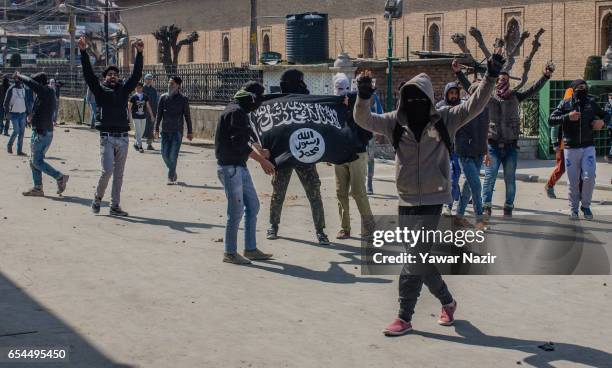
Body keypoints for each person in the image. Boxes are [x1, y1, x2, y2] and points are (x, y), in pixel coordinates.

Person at [353, 49, 503, 337]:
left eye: (419, 97)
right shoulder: (395, 121)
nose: (415, 103)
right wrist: (363, 95)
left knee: (415, 257)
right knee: (419, 258)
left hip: (435, 198)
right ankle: (448, 301)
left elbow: (476, 104)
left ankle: (404, 316)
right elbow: (364, 120)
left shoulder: (446, 119)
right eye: (409, 98)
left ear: (428, 97)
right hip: (406, 197)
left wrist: (491, 76)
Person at [79, 35, 144, 216]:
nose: (113, 76)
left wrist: (139, 54)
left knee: (119, 175)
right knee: (107, 171)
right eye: (110, 74)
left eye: (115, 74)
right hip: (106, 137)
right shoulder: (100, 91)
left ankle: (115, 206)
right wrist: (83, 52)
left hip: (123, 138)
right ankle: (98, 199)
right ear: (105, 78)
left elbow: (136, 75)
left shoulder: (124, 90)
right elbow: (88, 75)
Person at [266, 69, 330, 245]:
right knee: (278, 192)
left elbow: (319, 124)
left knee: (314, 192)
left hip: (304, 152)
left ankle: (320, 230)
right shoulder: (278, 103)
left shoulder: (307, 102)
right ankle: (273, 225)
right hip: (284, 155)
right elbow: (271, 129)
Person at [481, 64, 554, 218]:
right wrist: (459, 73)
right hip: (492, 146)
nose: (503, 82)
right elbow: (472, 89)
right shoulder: (489, 96)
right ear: (496, 81)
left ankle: (508, 206)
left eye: (506, 79)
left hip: (510, 147)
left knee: (510, 180)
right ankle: (486, 206)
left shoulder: (515, 96)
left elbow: (533, 89)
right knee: (489, 178)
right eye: (500, 79)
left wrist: (545, 76)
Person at [215, 81, 275, 265]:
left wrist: (260, 148)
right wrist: (262, 160)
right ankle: (229, 252)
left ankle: (250, 249)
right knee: (236, 211)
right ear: (251, 98)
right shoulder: (235, 112)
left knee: (253, 206)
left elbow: (248, 135)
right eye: (258, 99)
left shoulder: (239, 111)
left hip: (239, 166)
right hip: (230, 168)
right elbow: (239, 143)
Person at [549, 79, 606, 220]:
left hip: (588, 147)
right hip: (570, 148)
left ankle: (585, 206)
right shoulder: (565, 103)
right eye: (580, 87)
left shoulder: (591, 103)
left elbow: (607, 115)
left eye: (585, 87)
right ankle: (573, 208)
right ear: (573, 89)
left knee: (589, 177)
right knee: (573, 180)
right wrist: (567, 117)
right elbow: (551, 120)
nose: (583, 89)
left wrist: (602, 122)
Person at [332, 73, 374, 239]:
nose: (341, 92)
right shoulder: (333, 105)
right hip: (339, 155)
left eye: (344, 88)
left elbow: (366, 129)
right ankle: (345, 228)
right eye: (338, 88)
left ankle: (370, 227)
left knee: (358, 192)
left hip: (357, 154)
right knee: (340, 192)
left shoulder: (358, 102)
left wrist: (351, 108)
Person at [14, 71, 69, 197]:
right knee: (33, 161)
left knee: (37, 162)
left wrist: (20, 75)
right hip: (41, 131)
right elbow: (40, 108)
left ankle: (59, 177)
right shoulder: (45, 94)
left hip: (42, 133)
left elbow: (31, 83)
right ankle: (38, 188)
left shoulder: (45, 91)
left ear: (39, 83)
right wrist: (32, 116)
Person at [454, 82, 489, 230]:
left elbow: (485, 131)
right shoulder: (464, 109)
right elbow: (457, 131)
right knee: (476, 186)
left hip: (479, 153)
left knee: (468, 187)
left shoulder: (485, 109)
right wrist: (465, 145)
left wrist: (486, 152)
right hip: (465, 154)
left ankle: (458, 216)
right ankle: (479, 220)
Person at [154, 76, 193, 185]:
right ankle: (173, 170)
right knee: (164, 154)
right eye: (169, 83)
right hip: (165, 130)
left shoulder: (183, 99)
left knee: (173, 155)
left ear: (178, 86)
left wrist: (190, 131)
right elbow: (159, 114)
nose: (169, 85)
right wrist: (156, 129)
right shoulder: (163, 97)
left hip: (177, 132)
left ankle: (171, 176)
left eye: (172, 84)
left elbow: (187, 116)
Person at [435, 79, 464, 216]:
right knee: (446, 176)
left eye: (455, 93)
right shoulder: (439, 107)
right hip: (442, 147)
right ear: (446, 94)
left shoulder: (462, 108)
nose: (453, 96)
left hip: (457, 148)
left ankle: (449, 203)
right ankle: (450, 199)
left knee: (455, 174)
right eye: (451, 93)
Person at [545, 87, 575, 198]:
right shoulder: (563, 107)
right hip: (562, 145)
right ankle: (550, 185)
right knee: (561, 167)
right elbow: (554, 127)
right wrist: (555, 144)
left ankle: (579, 192)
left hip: (575, 144)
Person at [4, 76, 30, 155]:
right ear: (14, 79)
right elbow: (5, 103)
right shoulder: (11, 89)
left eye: (19, 79)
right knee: (16, 130)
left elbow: (25, 101)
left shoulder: (23, 89)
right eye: (16, 79)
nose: (17, 80)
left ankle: (19, 151)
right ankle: (9, 144)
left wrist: (28, 113)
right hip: (13, 114)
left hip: (23, 113)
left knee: (22, 133)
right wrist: (7, 113)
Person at [128, 82, 155, 153]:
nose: (138, 89)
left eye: (140, 87)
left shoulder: (145, 96)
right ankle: (140, 146)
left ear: (142, 88)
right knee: (138, 131)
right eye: (137, 87)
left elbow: (148, 106)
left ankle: (136, 143)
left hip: (143, 116)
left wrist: (152, 115)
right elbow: (129, 108)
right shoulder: (133, 97)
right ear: (135, 88)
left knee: (141, 132)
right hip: (135, 117)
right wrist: (128, 117)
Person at [143, 74, 158, 150]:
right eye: (148, 79)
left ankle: (149, 144)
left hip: (152, 112)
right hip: (143, 112)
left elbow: (156, 101)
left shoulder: (154, 90)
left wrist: (155, 111)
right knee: (142, 128)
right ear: (145, 80)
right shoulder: (142, 89)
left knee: (151, 128)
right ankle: (138, 143)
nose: (149, 81)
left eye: (150, 79)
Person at [604, 92, 612, 164]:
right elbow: (606, 114)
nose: (610, 98)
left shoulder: (608, 104)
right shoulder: (608, 104)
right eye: (610, 97)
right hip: (610, 125)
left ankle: (610, 156)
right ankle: (610, 156)